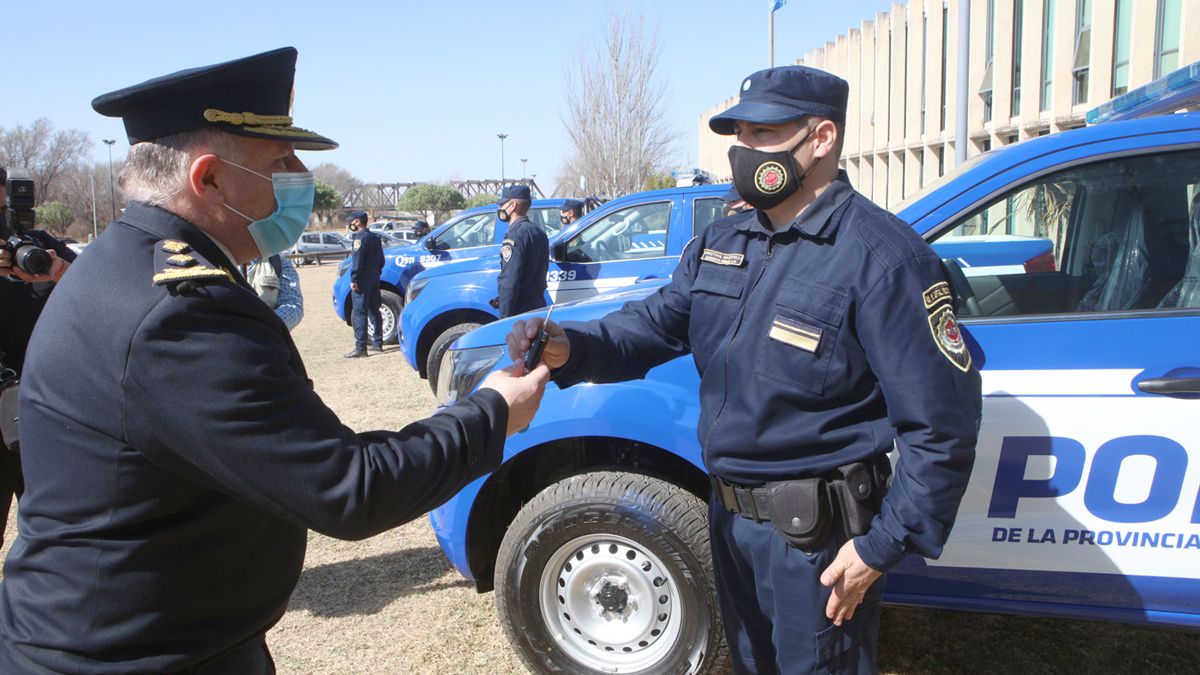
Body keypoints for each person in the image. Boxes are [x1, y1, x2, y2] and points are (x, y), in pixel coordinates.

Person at [0, 47, 550, 673]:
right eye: (279, 161)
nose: (299, 176)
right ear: (207, 179)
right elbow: (349, 487)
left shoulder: (124, 262)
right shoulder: (178, 311)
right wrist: (492, 411)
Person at [508, 65, 982, 674]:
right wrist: (569, 347)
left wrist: (878, 548)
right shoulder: (724, 240)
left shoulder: (883, 259)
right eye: (741, 135)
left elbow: (941, 428)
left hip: (817, 542)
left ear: (821, 139)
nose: (744, 150)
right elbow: (653, 324)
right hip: (728, 521)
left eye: (764, 133)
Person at [0, 166, 77, 548]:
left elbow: (99, 291)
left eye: (4, 213)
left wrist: (58, 271)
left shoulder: (40, 249)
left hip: (46, 405)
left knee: (56, 531)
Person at [495, 185, 548, 318]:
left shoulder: (515, 235)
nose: (500, 209)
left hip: (520, 311)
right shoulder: (539, 232)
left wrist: (504, 318)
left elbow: (510, 281)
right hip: (538, 306)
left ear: (512, 205)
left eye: (502, 204)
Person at [345, 209, 385, 356]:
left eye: (352, 221)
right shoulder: (374, 237)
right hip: (374, 277)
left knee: (360, 312)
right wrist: (376, 273)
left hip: (362, 279)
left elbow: (357, 261)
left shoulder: (359, 238)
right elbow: (381, 260)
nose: (350, 223)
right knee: (374, 310)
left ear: (357, 221)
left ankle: (361, 347)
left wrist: (354, 278)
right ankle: (378, 342)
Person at [246, 253, 304, 331]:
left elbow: (293, 305)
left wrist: (263, 326)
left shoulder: (278, 261)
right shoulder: (224, 264)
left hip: (265, 338)